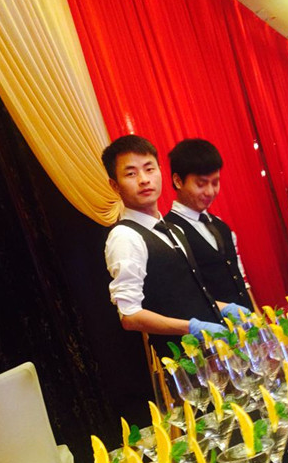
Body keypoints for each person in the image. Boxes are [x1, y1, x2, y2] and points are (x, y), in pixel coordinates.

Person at [102, 135, 245, 353]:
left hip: (217, 349)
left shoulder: (172, 229)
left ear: (160, 171)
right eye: (131, 173)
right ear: (115, 185)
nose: (144, 179)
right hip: (187, 360)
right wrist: (192, 328)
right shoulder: (124, 236)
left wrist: (227, 308)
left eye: (149, 169)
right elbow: (129, 316)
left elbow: (186, 296)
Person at [164, 139, 253, 311]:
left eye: (215, 183)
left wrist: (255, 317)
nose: (210, 192)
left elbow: (241, 280)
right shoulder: (169, 233)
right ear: (178, 181)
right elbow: (184, 297)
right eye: (201, 184)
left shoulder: (220, 226)